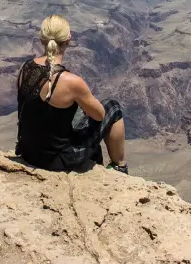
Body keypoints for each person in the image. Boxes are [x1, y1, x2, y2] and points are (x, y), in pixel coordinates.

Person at [15, 14, 128, 174]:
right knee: (113, 108)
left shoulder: (24, 68)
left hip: (28, 153)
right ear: (69, 39)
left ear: (42, 40)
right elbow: (100, 116)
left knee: (75, 116)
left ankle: (99, 161)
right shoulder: (70, 81)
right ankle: (119, 167)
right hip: (57, 159)